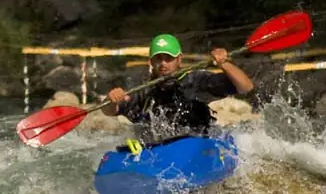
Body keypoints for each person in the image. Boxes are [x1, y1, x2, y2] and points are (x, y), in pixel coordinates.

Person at [103, 33, 254, 143]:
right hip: (157, 148)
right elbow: (109, 111)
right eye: (158, 58)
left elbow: (246, 87)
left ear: (179, 60)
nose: (163, 63)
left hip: (197, 143)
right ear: (151, 61)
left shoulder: (196, 81)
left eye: (168, 58)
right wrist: (112, 100)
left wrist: (224, 63)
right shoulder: (142, 89)